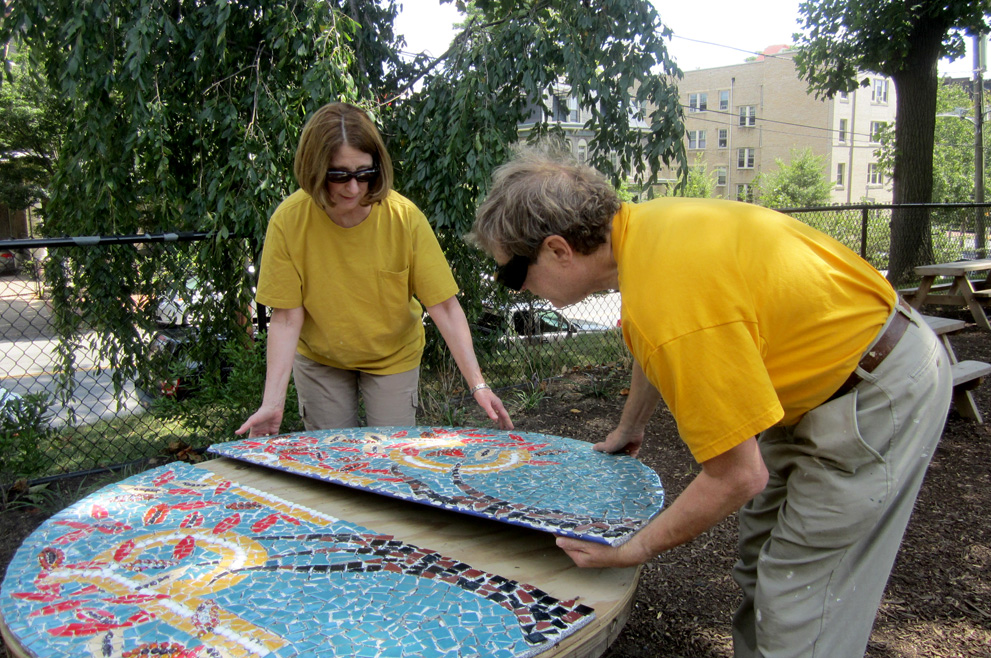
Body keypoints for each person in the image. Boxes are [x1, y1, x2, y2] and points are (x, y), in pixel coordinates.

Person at [468, 149, 951, 657]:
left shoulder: (671, 301)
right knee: (760, 559)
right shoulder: (644, 233)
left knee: (801, 599)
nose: (516, 288)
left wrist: (634, 549)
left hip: (878, 389)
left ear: (559, 249)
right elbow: (650, 338)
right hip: (825, 381)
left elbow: (739, 476)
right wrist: (631, 424)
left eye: (513, 274)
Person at [237, 102, 511, 438]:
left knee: (392, 460)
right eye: (339, 175)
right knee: (335, 465)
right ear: (315, 169)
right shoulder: (289, 221)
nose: (353, 188)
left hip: (393, 357)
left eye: (364, 174)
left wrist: (478, 384)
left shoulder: (404, 218)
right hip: (321, 358)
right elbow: (286, 318)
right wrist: (272, 403)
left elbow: (443, 306)